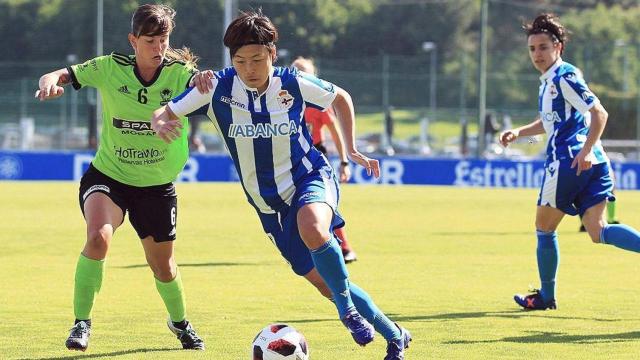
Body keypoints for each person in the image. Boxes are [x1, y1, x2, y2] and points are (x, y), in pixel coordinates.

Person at [151, 10, 411, 359]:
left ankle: (347, 312)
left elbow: (341, 98)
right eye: (240, 61)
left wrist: (349, 149)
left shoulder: (291, 82)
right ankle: (394, 334)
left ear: (272, 54)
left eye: (258, 59)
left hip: (310, 176)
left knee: (313, 226)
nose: (249, 68)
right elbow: (165, 111)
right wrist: (159, 122)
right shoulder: (215, 88)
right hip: (268, 206)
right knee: (327, 284)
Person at [36, 4, 207, 351]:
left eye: (163, 39)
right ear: (133, 39)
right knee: (98, 238)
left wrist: (207, 81)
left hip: (157, 187)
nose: (158, 48)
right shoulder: (109, 68)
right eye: (150, 40)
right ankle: (81, 323)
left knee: (163, 267)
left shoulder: (180, 74)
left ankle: (180, 323)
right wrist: (50, 82)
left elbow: (206, 85)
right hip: (109, 177)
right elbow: (58, 75)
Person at [500, 13, 640, 311]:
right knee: (598, 230)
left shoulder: (564, 77)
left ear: (558, 47)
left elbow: (599, 113)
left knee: (544, 229)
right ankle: (546, 296)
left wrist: (585, 150)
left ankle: (546, 297)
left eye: (543, 47)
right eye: (532, 49)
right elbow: (551, 121)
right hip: (595, 164)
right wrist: (519, 132)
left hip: (569, 163)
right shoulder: (553, 79)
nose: (537, 54)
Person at [290, 56, 358, 263]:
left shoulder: (319, 104)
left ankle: (343, 248)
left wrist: (345, 161)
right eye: (295, 70)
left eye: (303, 71)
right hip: (292, 157)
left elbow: (336, 134)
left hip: (316, 156)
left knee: (322, 206)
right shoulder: (285, 98)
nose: (298, 74)